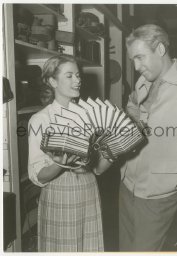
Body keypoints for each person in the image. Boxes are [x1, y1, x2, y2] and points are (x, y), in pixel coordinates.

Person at [119, 24, 177, 251]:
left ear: (160, 49)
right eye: (133, 59)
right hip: (127, 184)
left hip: (158, 194)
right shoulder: (142, 82)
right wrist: (131, 118)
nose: (136, 66)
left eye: (140, 57)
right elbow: (141, 130)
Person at [28, 55, 111, 252]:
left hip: (89, 188)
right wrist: (61, 164)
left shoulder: (91, 115)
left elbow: (98, 169)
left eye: (77, 74)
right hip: (59, 193)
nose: (77, 79)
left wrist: (116, 150)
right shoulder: (41, 120)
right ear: (52, 81)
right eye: (69, 76)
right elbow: (37, 176)